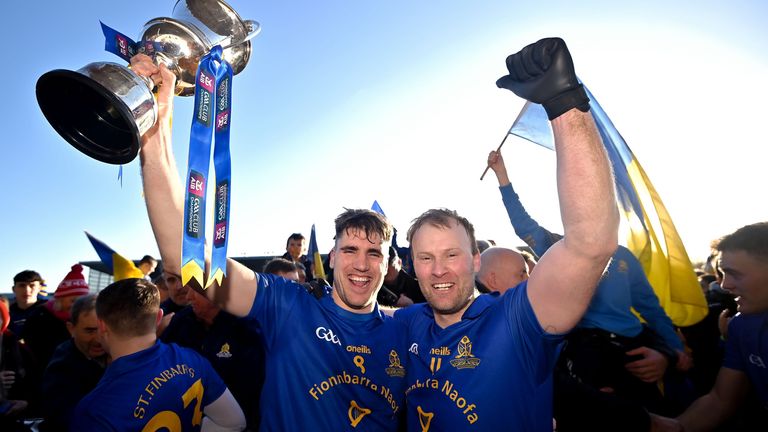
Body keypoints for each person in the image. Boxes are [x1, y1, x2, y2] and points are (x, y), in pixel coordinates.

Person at [132, 54, 408, 430]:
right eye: (350, 250)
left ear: (388, 263)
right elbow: (187, 260)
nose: (361, 263)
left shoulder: (410, 327)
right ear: (331, 257)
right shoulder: (288, 306)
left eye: (374, 253)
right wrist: (155, 126)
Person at [393, 37, 619, 430]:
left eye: (451, 255)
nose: (439, 269)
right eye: (426, 258)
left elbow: (591, 244)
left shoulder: (515, 319)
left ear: (476, 260)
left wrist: (563, 101)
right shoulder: (407, 323)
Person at [488, 138, 689, 416]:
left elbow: (651, 309)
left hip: (635, 349)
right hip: (588, 351)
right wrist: (502, 176)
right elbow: (524, 225)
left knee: (659, 416)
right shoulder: (560, 250)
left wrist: (674, 351)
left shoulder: (625, 258)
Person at [70, 278, 245, 431]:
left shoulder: (94, 411)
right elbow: (234, 422)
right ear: (159, 317)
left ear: (101, 326)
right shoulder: (193, 359)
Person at [652, 222, 768, 431]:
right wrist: (671, 427)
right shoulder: (742, 327)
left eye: (735, 274)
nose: (724, 285)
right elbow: (720, 401)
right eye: (723, 274)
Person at [161, 288, 265, 431]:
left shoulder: (246, 329)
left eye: (195, 290)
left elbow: (249, 394)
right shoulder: (181, 321)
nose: (188, 296)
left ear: (216, 290)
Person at [39, 295, 107, 431]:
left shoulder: (119, 354)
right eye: (90, 331)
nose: (99, 339)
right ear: (71, 329)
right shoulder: (61, 368)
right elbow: (63, 419)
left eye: (104, 330)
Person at [23, 264, 90, 372]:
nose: (77, 305)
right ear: (60, 300)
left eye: (82, 301)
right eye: (73, 300)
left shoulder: (91, 319)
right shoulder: (38, 318)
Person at [8, 270, 45, 336]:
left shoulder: (50, 311)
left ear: (39, 288)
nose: (27, 290)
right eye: (22, 285)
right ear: (14, 289)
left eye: (32, 285)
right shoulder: (6, 313)